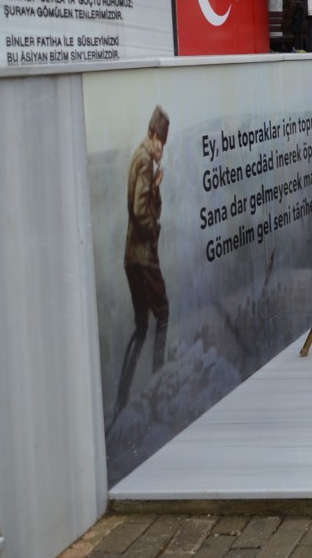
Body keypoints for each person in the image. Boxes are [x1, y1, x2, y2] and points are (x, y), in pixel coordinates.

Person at [116, 105, 171, 419]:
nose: (161, 149)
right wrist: (154, 231)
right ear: (153, 136)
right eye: (160, 143)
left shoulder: (144, 160)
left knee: (141, 327)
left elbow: (144, 200)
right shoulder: (144, 161)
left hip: (132, 257)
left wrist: (156, 184)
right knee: (162, 313)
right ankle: (159, 376)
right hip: (143, 256)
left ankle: (123, 398)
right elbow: (140, 212)